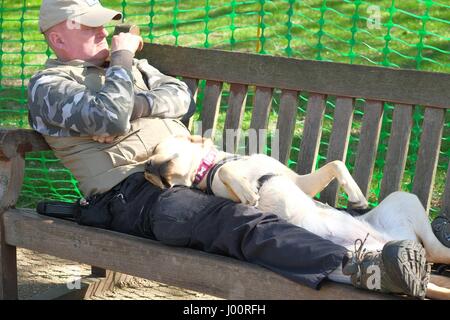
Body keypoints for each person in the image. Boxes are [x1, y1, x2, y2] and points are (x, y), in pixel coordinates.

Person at [28, 0, 430, 299]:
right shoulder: (49, 85)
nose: (104, 33)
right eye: (91, 27)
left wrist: (135, 103)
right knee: (233, 220)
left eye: (105, 27)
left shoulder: (132, 70)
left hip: (196, 165)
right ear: (58, 37)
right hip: (134, 194)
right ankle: (361, 268)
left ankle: (395, 249)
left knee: (282, 200)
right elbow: (110, 119)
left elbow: (180, 95)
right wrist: (121, 59)